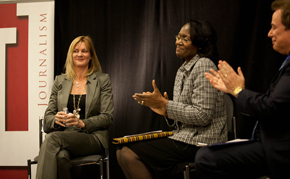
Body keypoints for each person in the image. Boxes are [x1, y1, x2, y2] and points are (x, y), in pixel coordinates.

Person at [116, 20, 227, 179]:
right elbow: (184, 114)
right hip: (185, 137)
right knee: (121, 151)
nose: (178, 42)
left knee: (129, 154)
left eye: (185, 39)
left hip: (202, 141)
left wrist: (167, 105)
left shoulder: (204, 65)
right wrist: (166, 112)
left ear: (200, 44)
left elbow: (202, 116)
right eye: (178, 37)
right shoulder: (182, 70)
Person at [195, 1, 290, 178]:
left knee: (207, 158)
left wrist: (238, 91)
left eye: (274, 27)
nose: (269, 34)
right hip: (272, 144)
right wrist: (235, 91)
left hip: (280, 151)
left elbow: (272, 108)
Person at [36, 36, 114, 179]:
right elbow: (48, 117)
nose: (79, 54)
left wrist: (82, 123)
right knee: (59, 157)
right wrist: (55, 120)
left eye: (84, 51)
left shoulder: (102, 80)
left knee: (52, 139)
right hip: (64, 136)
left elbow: (107, 117)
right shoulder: (60, 81)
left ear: (91, 56)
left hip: (91, 137)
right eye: (76, 51)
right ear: (70, 55)